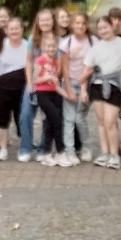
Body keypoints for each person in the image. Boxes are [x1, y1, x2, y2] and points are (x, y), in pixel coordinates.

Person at [80, 16, 121, 170]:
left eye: (105, 27)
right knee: (101, 121)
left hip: (115, 86)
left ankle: (115, 154)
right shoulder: (95, 47)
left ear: (112, 26)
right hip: (97, 85)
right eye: (100, 28)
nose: (103, 30)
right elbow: (87, 69)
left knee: (110, 121)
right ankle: (105, 152)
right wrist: (83, 89)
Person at [19, 9, 56, 162]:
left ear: (52, 21)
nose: (45, 23)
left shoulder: (58, 39)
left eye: (48, 20)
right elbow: (28, 61)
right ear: (38, 22)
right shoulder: (32, 38)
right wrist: (29, 83)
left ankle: (42, 149)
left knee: (47, 118)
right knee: (25, 115)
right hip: (34, 83)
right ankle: (25, 149)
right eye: (42, 20)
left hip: (50, 86)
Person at [59, 12, 95, 164]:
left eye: (83, 23)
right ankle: (70, 151)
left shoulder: (93, 41)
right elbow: (64, 68)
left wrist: (84, 80)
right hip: (70, 82)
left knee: (80, 118)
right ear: (72, 25)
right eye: (77, 23)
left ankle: (86, 147)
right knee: (69, 119)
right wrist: (68, 89)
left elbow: (94, 64)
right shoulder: (66, 43)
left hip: (87, 84)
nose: (80, 26)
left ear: (86, 25)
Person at [0, 17, 29, 161]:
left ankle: (23, 147)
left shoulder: (27, 45)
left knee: (22, 118)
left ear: (22, 30)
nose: (14, 31)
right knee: (2, 118)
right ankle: (3, 148)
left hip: (22, 88)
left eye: (17, 28)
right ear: (6, 30)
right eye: (11, 29)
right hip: (3, 87)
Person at [32, 33, 71, 166]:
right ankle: (60, 152)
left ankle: (47, 154)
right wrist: (47, 77)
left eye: (53, 46)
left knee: (49, 124)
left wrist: (67, 95)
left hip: (53, 93)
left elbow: (56, 85)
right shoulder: (40, 60)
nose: (51, 49)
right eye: (48, 46)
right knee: (57, 121)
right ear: (43, 47)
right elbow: (34, 79)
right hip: (42, 94)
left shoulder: (56, 61)